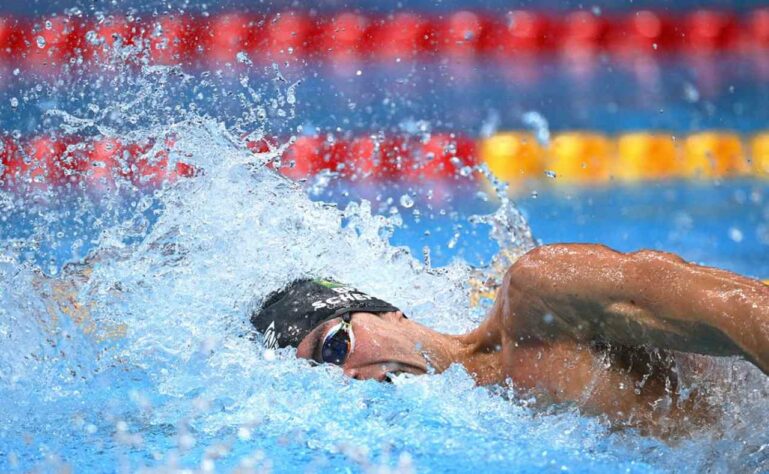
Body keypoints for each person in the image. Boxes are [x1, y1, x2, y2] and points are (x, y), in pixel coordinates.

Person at [251, 243, 769, 436]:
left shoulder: (541, 295)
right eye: (323, 377)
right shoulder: (484, 428)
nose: (348, 377)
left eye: (335, 348)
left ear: (386, 312)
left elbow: (742, 308)